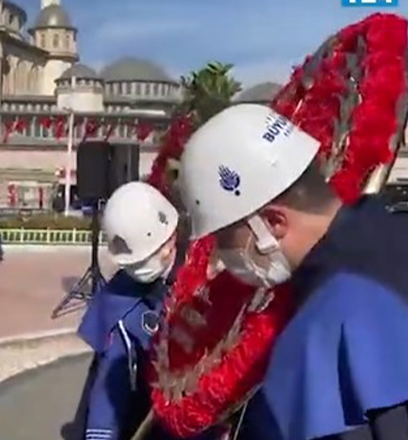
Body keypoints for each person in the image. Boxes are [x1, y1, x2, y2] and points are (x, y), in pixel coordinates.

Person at [178, 104, 408, 440]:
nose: (223, 256)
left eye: (225, 239)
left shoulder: (316, 337)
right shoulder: (395, 235)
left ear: (272, 222)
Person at [72, 182, 179, 440]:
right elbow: (110, 388)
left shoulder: (207, 267)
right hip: (147, 413)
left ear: (172, 237)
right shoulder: (119, 301)